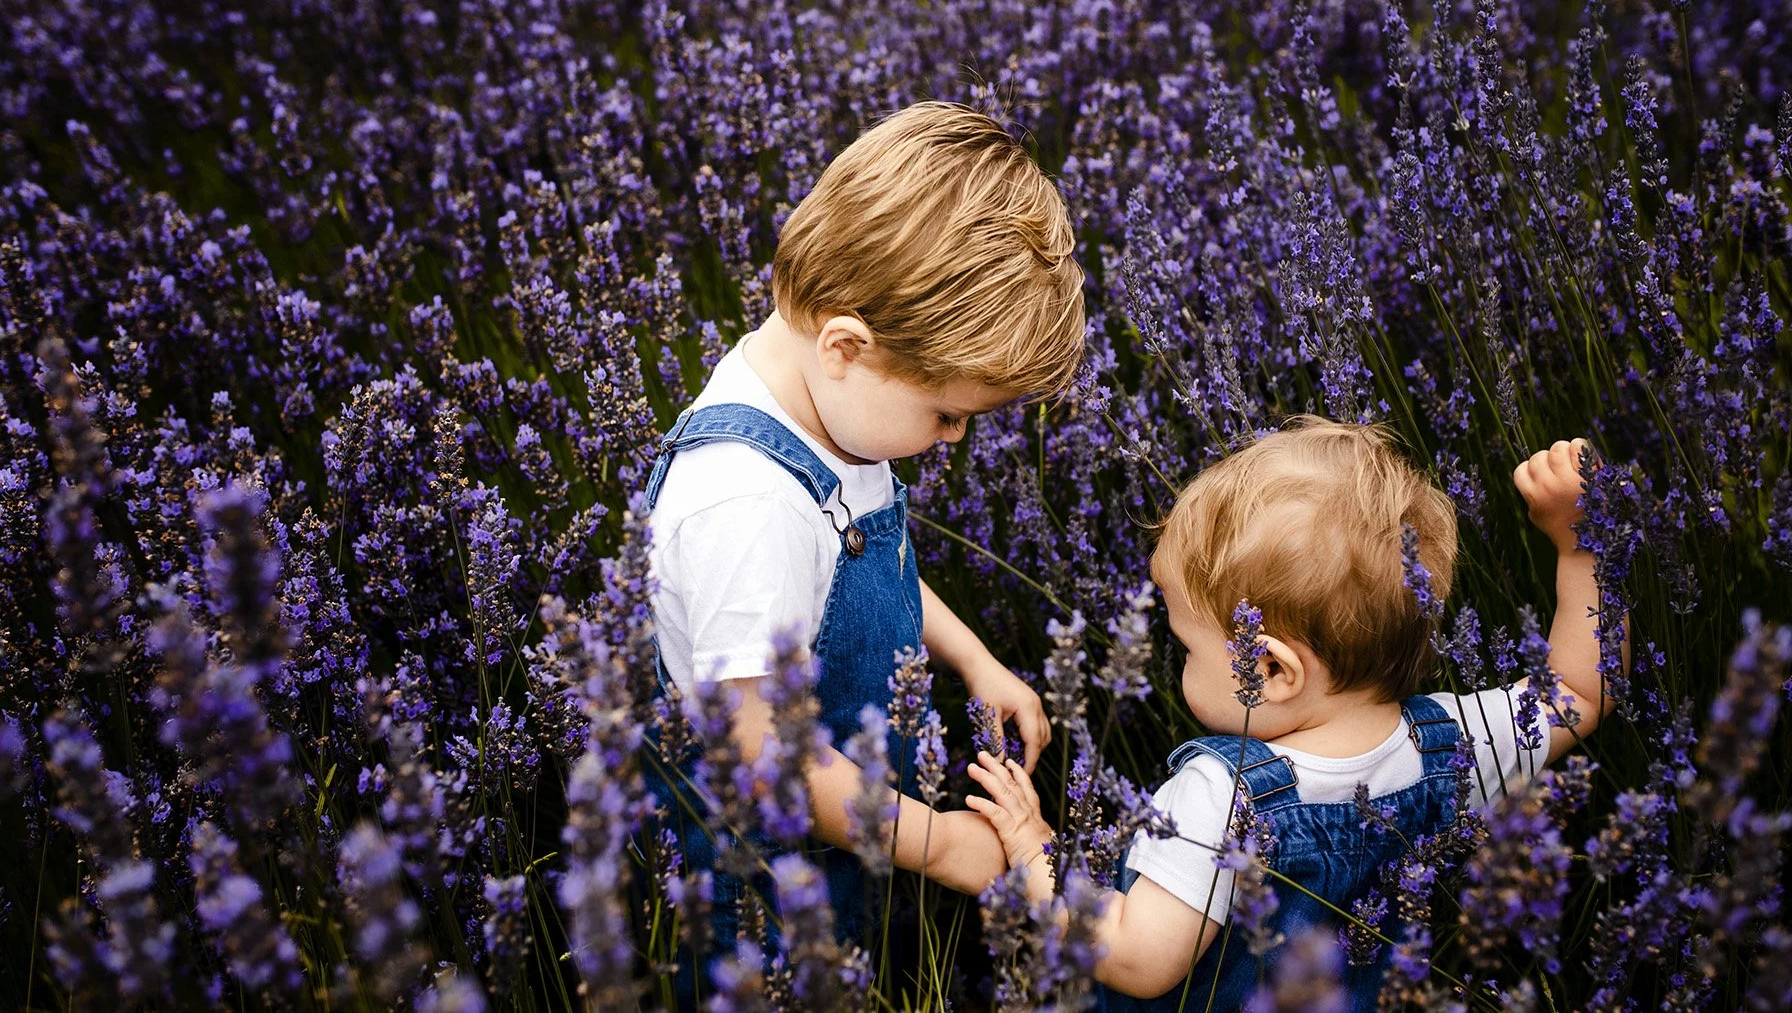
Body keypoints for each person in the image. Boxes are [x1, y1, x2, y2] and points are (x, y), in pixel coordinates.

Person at [644, 101, 1085, 993]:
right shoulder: (748, 503)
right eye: (948, 413)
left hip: (860, 827)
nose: (955, 439)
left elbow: (866, 561)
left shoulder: (837, 416)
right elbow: (767, 753)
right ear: (846, 344)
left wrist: (975, 658)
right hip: (768, 884)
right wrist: (948, 846)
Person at [967, 419, 1619, 1010]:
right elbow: (1581, 692)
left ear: (1273, 670)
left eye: (1187, 646)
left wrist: (1034, 848)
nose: (1178, 660)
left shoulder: (1218, 796)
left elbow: (1137, 957)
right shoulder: (1447, 745)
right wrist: (1580, 544)